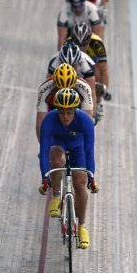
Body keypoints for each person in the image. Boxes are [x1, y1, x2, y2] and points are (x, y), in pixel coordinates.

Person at [38, 88, 99, 249]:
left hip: (77, 144)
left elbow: (89, 150)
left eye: (69, 113)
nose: (65, 117)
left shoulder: (85, 121)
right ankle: (56, 196)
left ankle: (82, 227)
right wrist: (45, 179)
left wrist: (91, 177)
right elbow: (43, 152)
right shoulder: (49, 120)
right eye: (62, 112)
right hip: (58, 142)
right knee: (56, 160)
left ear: (75, 110)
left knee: (79, 184)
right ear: (57, 110)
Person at [36, 63, 94, 141]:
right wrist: (43, 145)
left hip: (75, 109)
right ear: (54, 82)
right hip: (54, 108)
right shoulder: (45, 89)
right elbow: (41, 122)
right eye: (60, 89)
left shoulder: (84, 88)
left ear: (75, 83)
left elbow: (88, 122)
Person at [69, 21, 111, 122]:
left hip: (92, 60)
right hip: (76, 61)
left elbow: (104, 70)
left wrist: (102, 92)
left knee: (97, 71)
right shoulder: (68, 43)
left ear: (89, 40)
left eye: (84, 45)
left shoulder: (97, 43)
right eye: (78, 45)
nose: (81, 48)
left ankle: (98, 101)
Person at [47, 41, 97, 112]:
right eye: (65, 65)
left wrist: (92, 114)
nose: (69, 69)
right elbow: (48, 89)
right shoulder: (54, 62)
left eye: (73, 65)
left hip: (81, 79)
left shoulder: (86, 66)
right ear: (60, 61)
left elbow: (92, 92)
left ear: (78, 62)